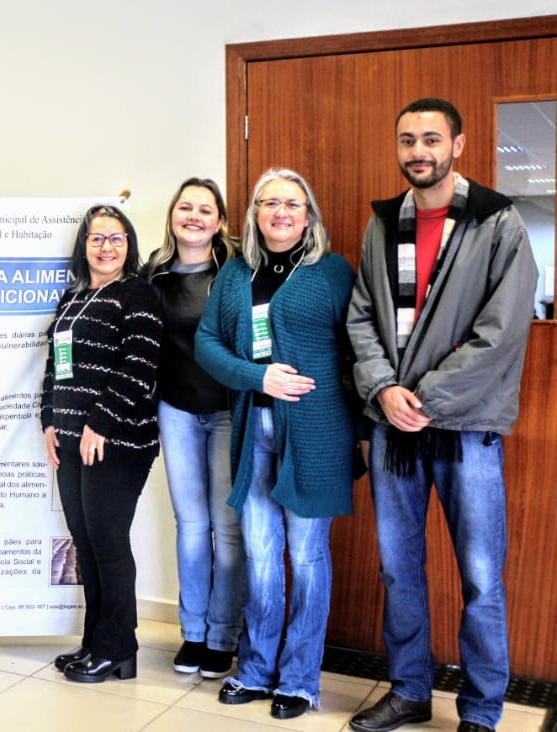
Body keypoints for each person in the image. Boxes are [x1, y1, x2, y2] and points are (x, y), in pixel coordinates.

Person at [346, 99, 538, 732]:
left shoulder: (497, 221)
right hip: (393, 428)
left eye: (431, 139)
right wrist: (383, 390)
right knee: (398, 570)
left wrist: (422, 398)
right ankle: (409, 692)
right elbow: (361, 318)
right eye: (407, 140)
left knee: (480, 577)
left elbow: (502, 332)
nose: (418, 151)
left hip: (466, 429)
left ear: (458, 144)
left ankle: (481, 710)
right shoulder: (382, 225)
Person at [194, 168, 355, 719]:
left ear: (308, 215)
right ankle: (257, 668)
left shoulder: (331, 272)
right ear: (255, 214)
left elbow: (358, 349)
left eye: (292, 203)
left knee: (306, 557)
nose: (281, 212)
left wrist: (359, 431)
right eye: (269, 203)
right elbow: (207, 342)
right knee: (261, 555)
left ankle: (300, 680)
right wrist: (255, 376)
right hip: (252, 430)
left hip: (315, 435)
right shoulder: (237, 273)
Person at [41, 204, 162, 684]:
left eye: (116, 238)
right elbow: (55, 365)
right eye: (97, 238)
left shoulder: (138, 293)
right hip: (71, 441)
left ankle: (118, 648)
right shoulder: (72, 298)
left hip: (119, 440)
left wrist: (101, 423)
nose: (106, 246)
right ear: (84, 245)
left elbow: (140, 364)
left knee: (108, 543)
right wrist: (49, 421)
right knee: (87, 544)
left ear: (129, 244)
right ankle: (96, 641)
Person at [143, 178, 244, 680]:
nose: (194, 217)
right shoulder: (154, 274)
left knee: (227, 528)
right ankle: (194, 633)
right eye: (186, 207)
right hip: (177, 411)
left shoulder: (235, 271)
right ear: (173, 215)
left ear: (220, 221)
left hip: (226, 411)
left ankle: (223, 637)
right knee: (191, 528)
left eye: (206, 210)